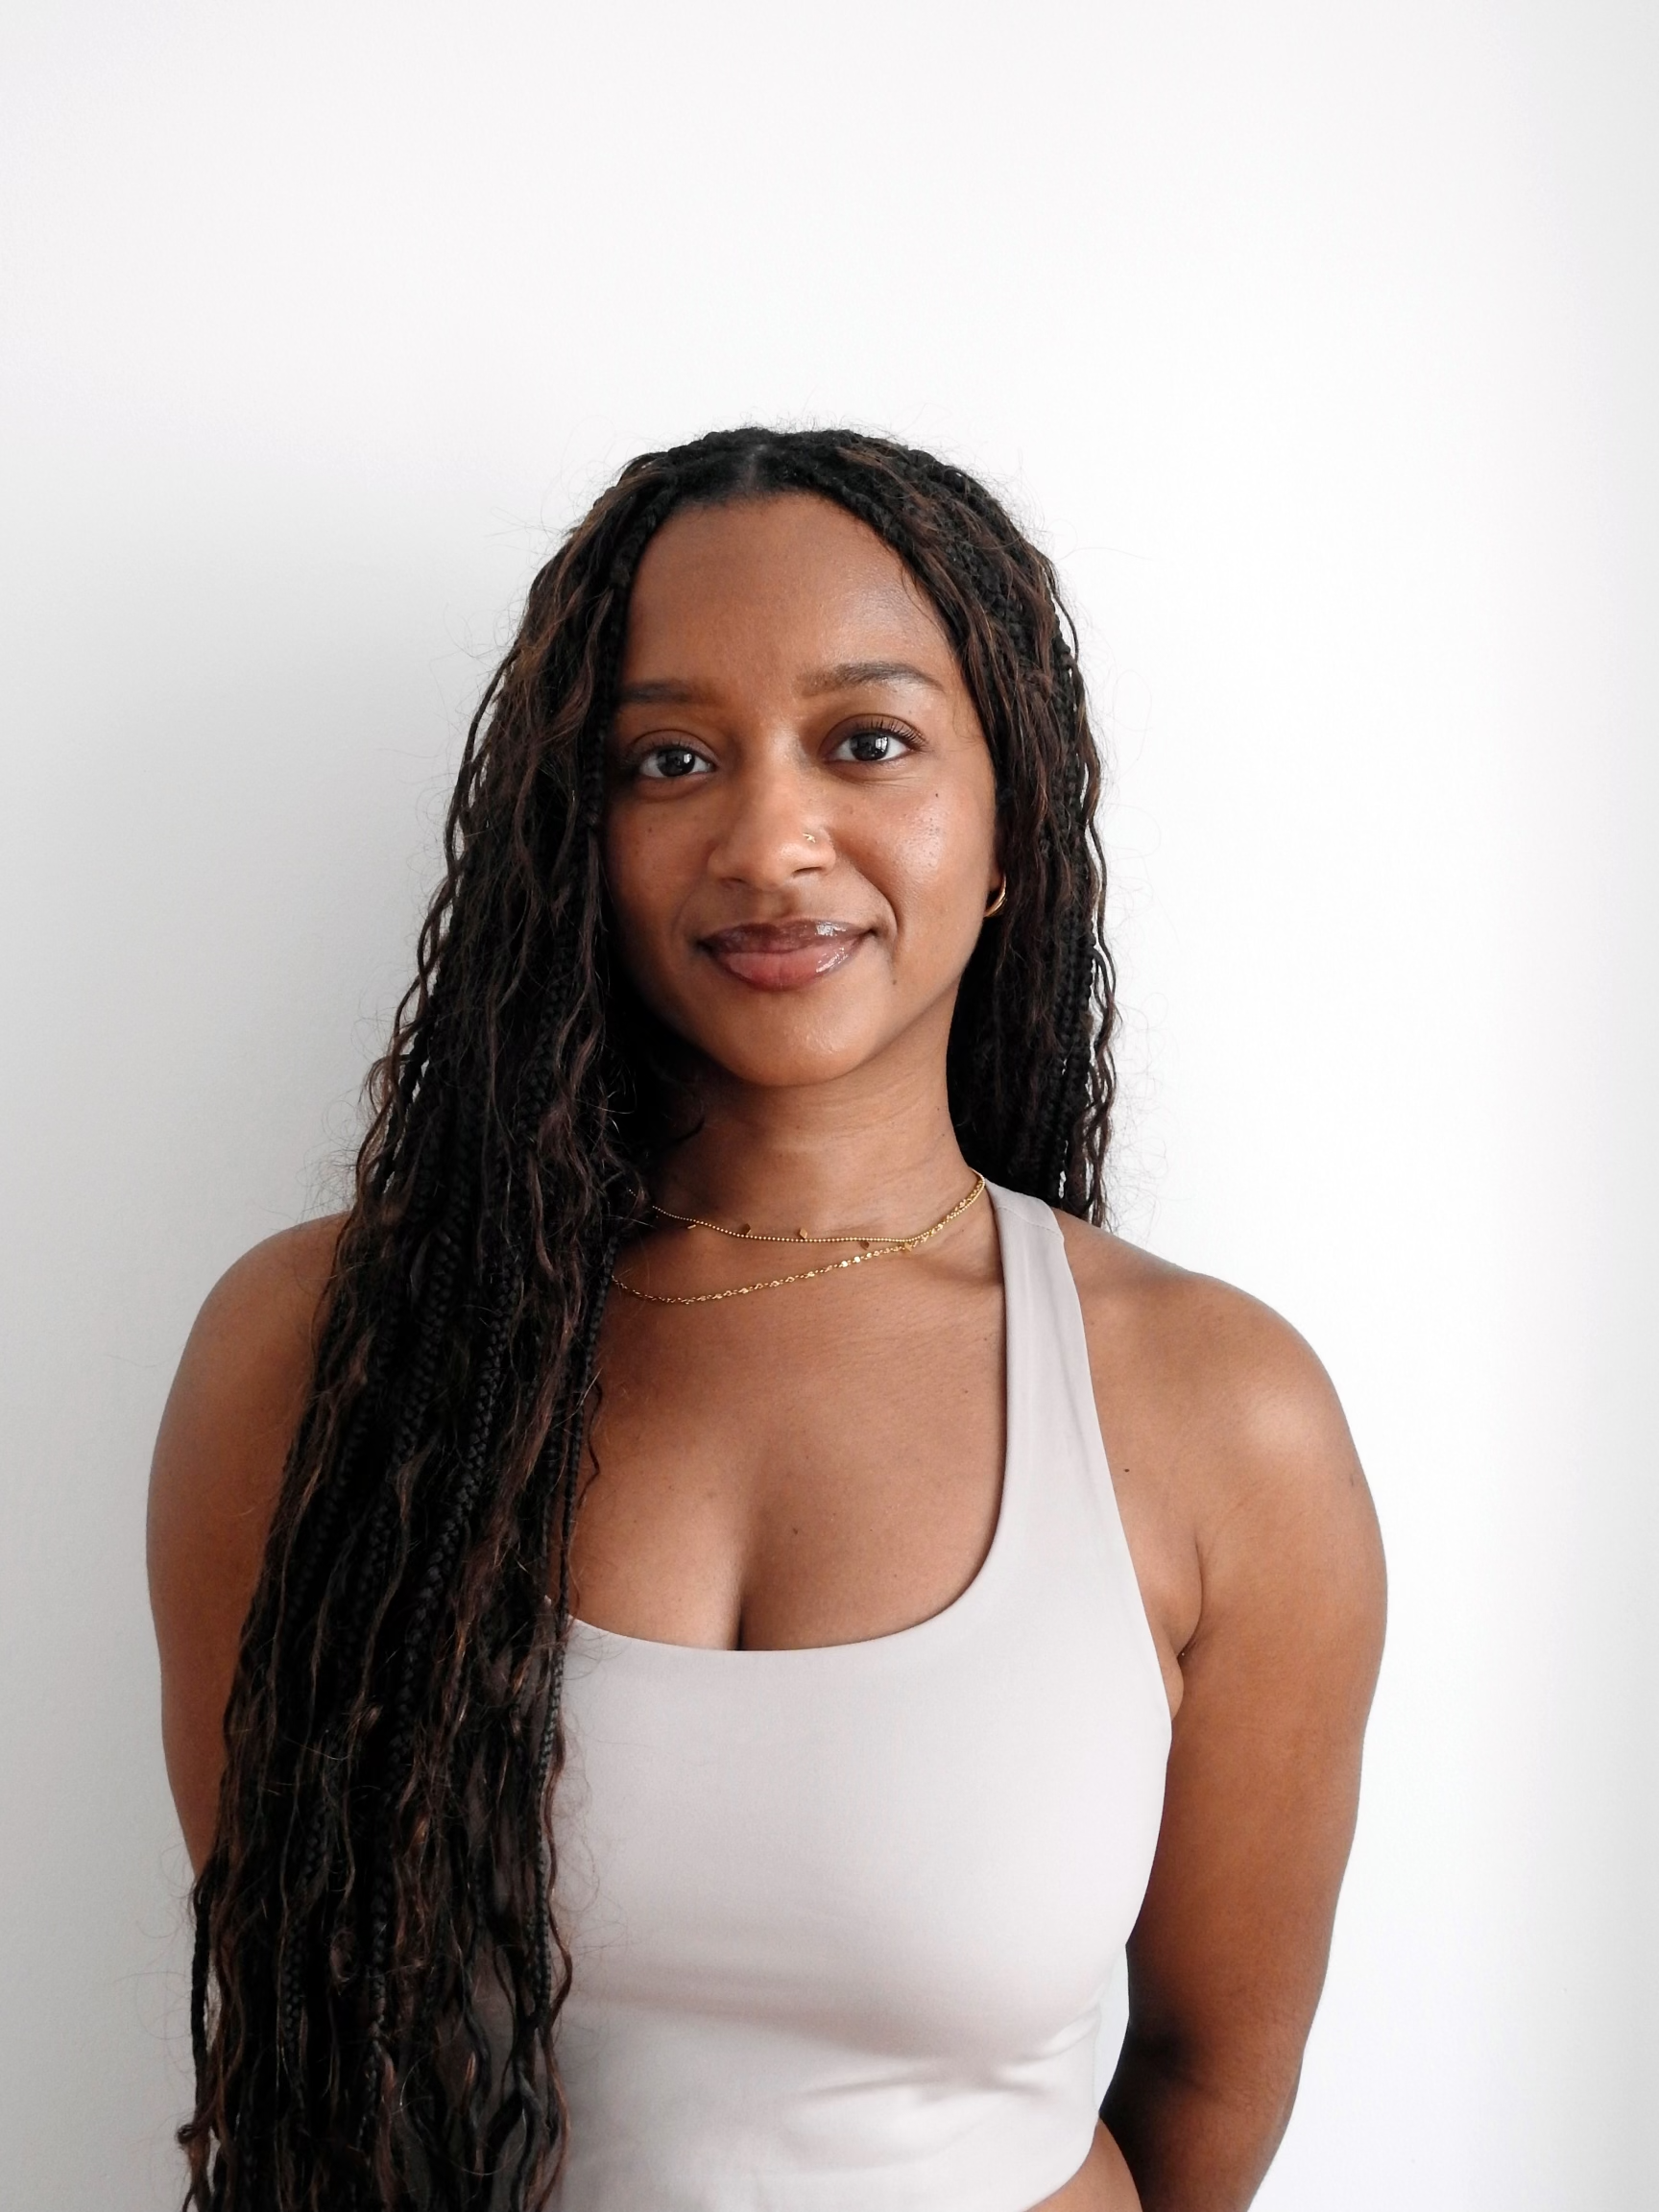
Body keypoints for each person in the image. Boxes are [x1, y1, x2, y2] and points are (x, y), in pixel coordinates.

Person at [148, 426, 1385, 2212]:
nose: (770, 841)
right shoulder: (321, 1354)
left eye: (867, 742)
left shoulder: (1217, 1414)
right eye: (669, 760)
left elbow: (1209, 2078)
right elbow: (296, 2025)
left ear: (1011, 821)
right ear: (580, 837)